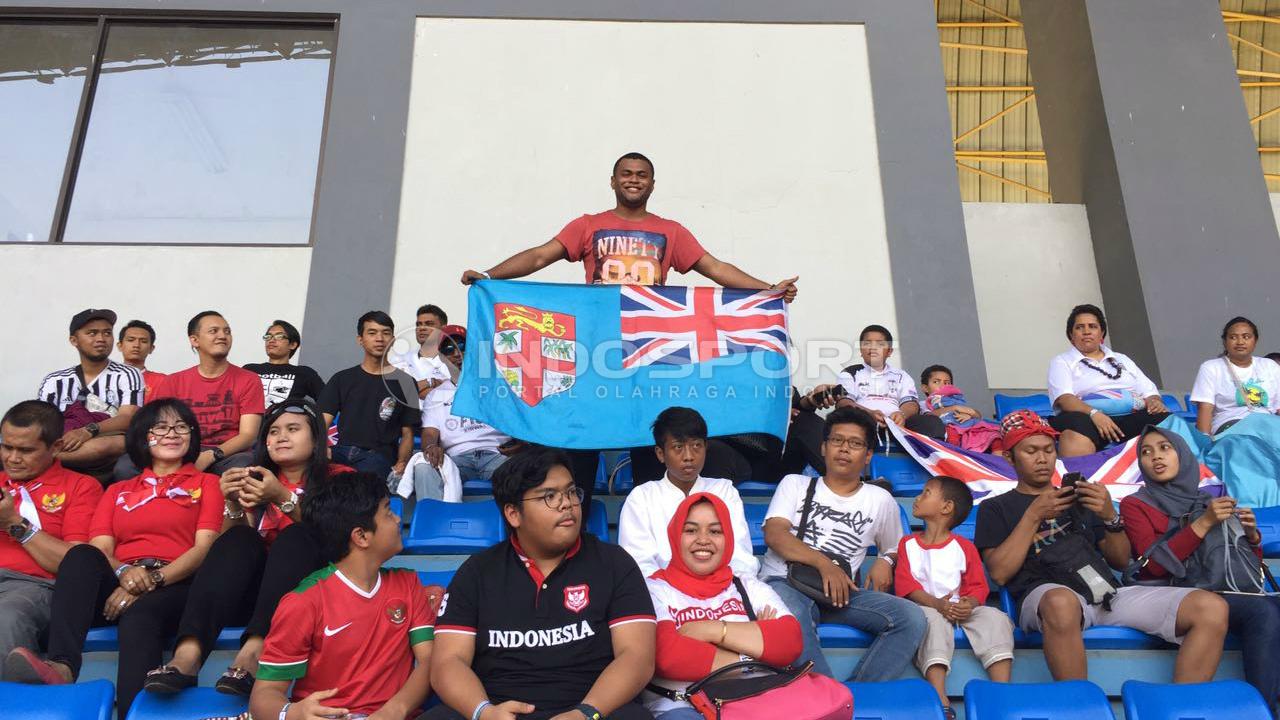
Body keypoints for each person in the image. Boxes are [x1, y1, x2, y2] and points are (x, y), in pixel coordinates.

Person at [459, 152, 800, 498]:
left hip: (649, 353)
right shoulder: (587, 225)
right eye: (626, 174)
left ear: (652, 184)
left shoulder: (671, 231)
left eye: (641, 175)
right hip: (594, 352)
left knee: (649, 442)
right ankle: (576, 528)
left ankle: (648, 527)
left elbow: (715, 268)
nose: (633, 180)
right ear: (612, 181)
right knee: (582, 441)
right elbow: (539, 256)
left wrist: (766, 290)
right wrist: (490, 275)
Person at [3, 399, 222, 716]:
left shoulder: (207, 483)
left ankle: (136, 713)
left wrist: (149, 580)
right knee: (82, 555)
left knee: (139, 617)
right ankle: (63, 666)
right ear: (141, 436)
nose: (171, 433)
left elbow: (203, 548)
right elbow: (101, 549)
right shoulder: (118, 490)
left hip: (176, 581)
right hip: (122, 579)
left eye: (181, 426)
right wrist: (126, 574)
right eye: (159, 427)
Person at [974, 410, 1227, 682]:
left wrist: (1110, 517)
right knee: (1061, 602)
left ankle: (1181, 708)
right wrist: (1033, 515)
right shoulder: (995, 507)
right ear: (1010, 458)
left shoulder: (1079, 497)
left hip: (1105, 594)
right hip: (1047, 597)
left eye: (1048, 449)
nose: (1042, 458)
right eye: (1031, 451)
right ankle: (1081, 707)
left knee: (1210, 607)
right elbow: (1000, 573)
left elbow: (1119, 561)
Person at [141, 398, 353, 695]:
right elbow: (230, 549)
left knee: (295, 536)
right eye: (273, 431)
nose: (281, 437)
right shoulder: (255, 480)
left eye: (293, 429)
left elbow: (344, 539)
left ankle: (255, 651)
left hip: (320, 595)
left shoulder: (342, 479)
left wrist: (283, 497)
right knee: (239, 538)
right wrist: (231, 504)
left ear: (316, 438)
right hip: (258, 597)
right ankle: (188, 654)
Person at [427, 447, 657, 720]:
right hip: (500, 710)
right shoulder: (477, 572)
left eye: (571, 492)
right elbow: (447, 662)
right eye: (550, 496)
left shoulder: (615, 563)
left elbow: (637, 657)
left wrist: (585, 713)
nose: (567, 504)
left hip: (591, 709)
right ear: (513, 514)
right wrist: (484, 712)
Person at [250, 471, 440, 720]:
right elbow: (264, 695)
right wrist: (294, 712)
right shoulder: (304, 602)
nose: (397, 519)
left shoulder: (408, 583)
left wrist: (394, 711)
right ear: (361, 536)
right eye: (387, 512)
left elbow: (429, 662)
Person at [759, 406, 926, 681]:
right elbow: (775, 535)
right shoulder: (795, 484)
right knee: (794, 616)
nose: (844, 449)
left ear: (868, 455)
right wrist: (824, 565)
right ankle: (826, 698)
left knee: (911, 618)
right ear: (824, 447)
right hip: (785, 582)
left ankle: (860, 695)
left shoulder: (879, 499)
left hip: (840, 594)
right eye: (837, 440)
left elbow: (895, 546)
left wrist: (885, 561)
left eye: (855, 443)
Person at [1122, 427, 1280, 711]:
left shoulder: (1208, 500)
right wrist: (1203, 523)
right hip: (1178, 592)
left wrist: (1249, 535)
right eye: (1146, 452)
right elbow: (1154, 566)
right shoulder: (1136, 504)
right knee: (1263, 612)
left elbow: (1242, 565)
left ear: (1183, 454)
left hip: (1223, 589)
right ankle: (1261, 710)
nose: (1156, 457)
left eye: (1164, 448)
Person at [644, 493, 802, 720]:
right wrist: (755, 651)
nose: (703, 539)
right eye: (690, 530)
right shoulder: (653, 588)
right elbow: (668, 656)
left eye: (715, 531)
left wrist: (713, 630)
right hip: (682, 706)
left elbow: (790, 640)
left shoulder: (746, 585)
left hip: (752, 698)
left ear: (727, 538)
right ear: (675, 536)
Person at [896, 476, 1012, 719]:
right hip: (926, 607)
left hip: (959, 608)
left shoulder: (963, 546)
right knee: (931, 620)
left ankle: (1002, 692)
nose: (918, 498)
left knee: (994, 617)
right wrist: (938, 604)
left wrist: (969, 604)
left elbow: (977, 586)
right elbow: (907, 587)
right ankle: (940, 695)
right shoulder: (907, 544)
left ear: (946, 507)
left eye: (926, 493)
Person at [0, 401, 103, 663]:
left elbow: (74, 564)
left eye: (25, 450)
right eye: (6, 447)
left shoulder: (81, 487)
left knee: (8, 617)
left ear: (55, 447)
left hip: (34, 587)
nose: (12, 458)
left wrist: (15, 523)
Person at [123, 310, 264, 478]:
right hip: (179, 447)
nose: (222, 336)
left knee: (244, 469)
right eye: (214, 331)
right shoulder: (173, 382)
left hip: (226, 454)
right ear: (194, 340)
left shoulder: (249, 379)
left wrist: (211, 455)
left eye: (227, 331)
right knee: (126, 466)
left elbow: (248, 435)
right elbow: (154, 426)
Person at [619, 407, 757, 578]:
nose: (689, 456)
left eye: (696, 446)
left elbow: (740, 556)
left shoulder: (724, 490)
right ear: (661, 453)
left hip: (721, 590)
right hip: (663, 592)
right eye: (678, 447)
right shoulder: (642, 497)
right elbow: (639, 564)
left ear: (706, 448)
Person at [1047, 304, 1169, 456]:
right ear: (1071, 335)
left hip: (1130, 418)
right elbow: (1064, 399)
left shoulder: (1122, 359)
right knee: (1076, 426)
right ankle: (1081, 476)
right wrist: (1094, 414)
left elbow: (1149, 392)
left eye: (1092, 326)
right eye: (1079, 327)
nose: (1086, 331)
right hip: (1087, 418)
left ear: (1101, 333)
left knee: (1165, 419)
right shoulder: (1061, 361)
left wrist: (1154, 401)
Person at [37, 308, 144, 473]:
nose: (101, 339)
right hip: (62, 442)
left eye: (107, 333)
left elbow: (128, 418)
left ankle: (39, 458)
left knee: (116, 443)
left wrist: (88, 431)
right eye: (92, 333)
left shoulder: (127, 374)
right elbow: (41, 423)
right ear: (74, 340)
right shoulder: (54, 381)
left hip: (105, 448)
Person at [319, 311, 420, 482]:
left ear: (393, 340)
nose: (379, 338)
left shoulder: (406, 382)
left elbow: (408, 433)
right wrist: (321, 448)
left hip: (378, 457)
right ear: (360, 340)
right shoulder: (342, 379)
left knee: (363, 488)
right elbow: (321, 422)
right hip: (340, 452)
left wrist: (402, 462)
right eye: (372, 333)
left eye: (386, 333)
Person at [413, 327, 511, 502]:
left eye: (461, 346)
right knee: (423, 466)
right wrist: (429, 448)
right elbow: (429, 433)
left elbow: (517, 422)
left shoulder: (498, 386)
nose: (457, 354)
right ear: (441, 357)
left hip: (497, 454)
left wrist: (521, 444)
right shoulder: (436, 395)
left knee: (527, 468)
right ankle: (434, 524)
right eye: (449, 350)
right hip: (458, 457)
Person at [835, 325, 946, 443]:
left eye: (880, 344)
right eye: (867, 343)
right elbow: (844, 402)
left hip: (898, 424)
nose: (873, 348)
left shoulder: (901, 375)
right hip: (862, 422)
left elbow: (911, 403)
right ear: (861, 350)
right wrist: (869, 414)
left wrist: (901, 415)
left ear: (889, 351)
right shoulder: (850, 373)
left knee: (932, 423)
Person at [1190, 317, 1280, 435]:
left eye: (1246, 337)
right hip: (1230, 427)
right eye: (1233, 337)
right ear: (1224, 341)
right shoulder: (1211, 368)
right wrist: (1203, 445)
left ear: (1255, 340)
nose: (1240, 342)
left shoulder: (1269, 366)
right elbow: (1205, 410)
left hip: (1268, 426)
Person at [919, 364, 1002, 453]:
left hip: (968, 428)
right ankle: (957, 457)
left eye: (947, 383)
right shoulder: (923, 404)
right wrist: (955, 408)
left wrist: (969, 415)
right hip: (949, 432)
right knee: (952, 436)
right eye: (936, 382)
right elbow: (930, 416)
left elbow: (977, 415)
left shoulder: (954, 400)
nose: (942, 385)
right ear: (925, 388)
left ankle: (998, 460)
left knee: (994, 435)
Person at [243, 320, 326, 406]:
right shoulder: (249, 369)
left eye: (279, 336)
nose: (271, 340)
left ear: (293, 345)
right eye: (268, 336)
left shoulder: (304, 373)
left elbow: (328, 403)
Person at [393, 304, 455, 401]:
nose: (422, 328)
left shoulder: (454, 362)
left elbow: (455, 395)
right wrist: (431, 382)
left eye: (429, 324)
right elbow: (393, 394)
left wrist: (414, 388)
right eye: (419, 324)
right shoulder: (399, 361)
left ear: (443, 329)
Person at [117, 319, 166, 399]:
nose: (136, 345)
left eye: (143, 341)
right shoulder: (105, 377)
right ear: (120, 346)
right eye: (131, 340)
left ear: (151, 348)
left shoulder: (162, 381)